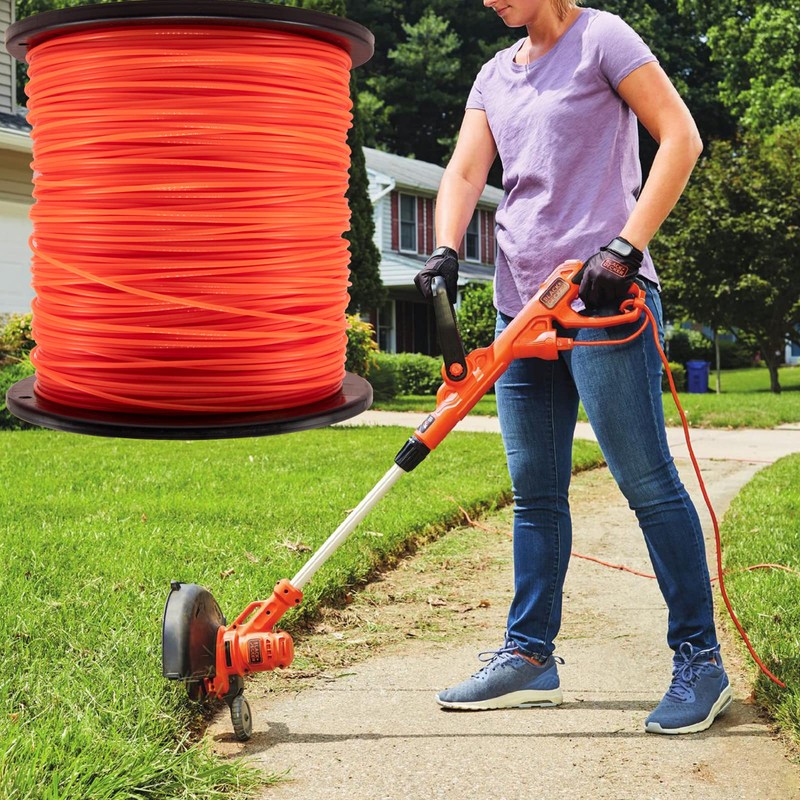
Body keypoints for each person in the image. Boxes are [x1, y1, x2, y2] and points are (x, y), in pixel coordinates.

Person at [413, 0, 731, 735]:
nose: (488, 0)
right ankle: (530, 659)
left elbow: (681, 137)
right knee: (535, 492)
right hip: (520, 307)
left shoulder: (602, 38)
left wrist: (625, 247)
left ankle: (701, 661)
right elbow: (465, 170)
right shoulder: (495, 73)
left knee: (646, 481)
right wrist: (444, 246)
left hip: (604, 298)